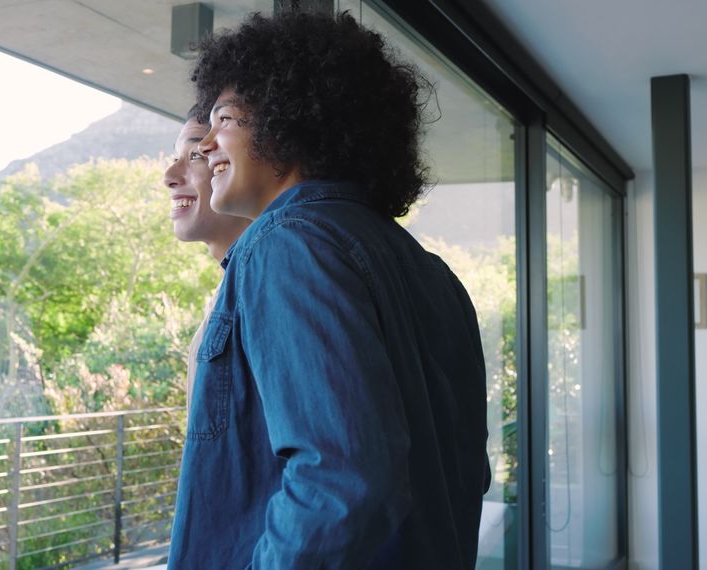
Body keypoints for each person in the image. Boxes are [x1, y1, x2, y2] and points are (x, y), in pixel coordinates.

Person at [167, 11, 490, 569]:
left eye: (222, 120)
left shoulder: (286, 244)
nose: (207, 146)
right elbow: (466, 475)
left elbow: (343, 475)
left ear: (287, 118)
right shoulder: (434, 274)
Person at [163, 111, 251, 405]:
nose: (169, 176)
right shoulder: (231, 290)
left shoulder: (269, 285)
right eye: (176, 157)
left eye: (197, 155)